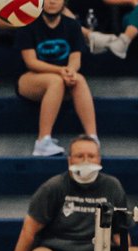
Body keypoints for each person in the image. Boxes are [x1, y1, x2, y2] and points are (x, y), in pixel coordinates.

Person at [9, 136, 138, 251]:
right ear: (69, 159)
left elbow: (122, 232)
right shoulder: (53, 187)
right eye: (80, 156)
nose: (86, 161)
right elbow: (28, 232)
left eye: (91, 156)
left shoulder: (112, 186)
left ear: (99, 159)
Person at [14, 0, 98, 155]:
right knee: (55, 81)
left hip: (63, 78)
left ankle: (92, 138)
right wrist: (61, 71)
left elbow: (75, 58)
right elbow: (31, 62)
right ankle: (42, 141)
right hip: (31, 79)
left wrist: (70, 71)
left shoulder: (72, 26)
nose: (52, 1)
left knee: (79, 79)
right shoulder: (28, 24)